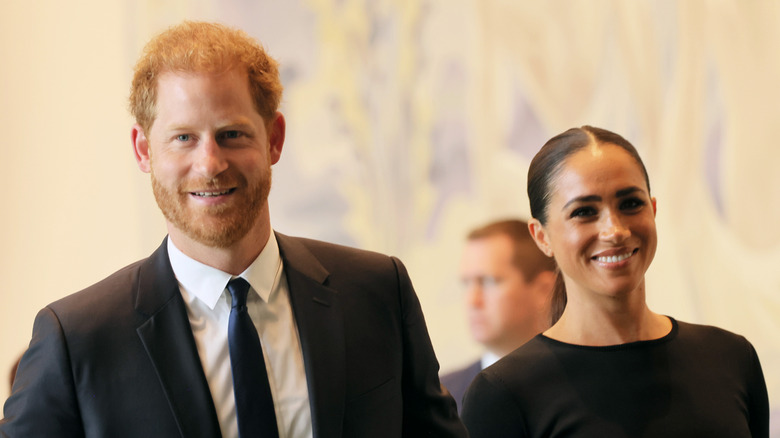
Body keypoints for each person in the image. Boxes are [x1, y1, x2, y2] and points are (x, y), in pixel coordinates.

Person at [1, 21, 467, 438]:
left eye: (232, 134)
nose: (210, 164)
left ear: (275, 139)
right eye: (183, 138)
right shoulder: (77, 339)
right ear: (143, 150)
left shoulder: (377, 292)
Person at [461, 126, 769, 437]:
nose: (614, 230)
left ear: (653, 209)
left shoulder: (730, 357)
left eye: (630, 204)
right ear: (542, 237)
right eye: (584, 212)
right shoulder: (505, 393)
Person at [440, 219, 555, 412]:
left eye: (488, 281)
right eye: (466, 284)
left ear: (544, 290)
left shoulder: (583, 384)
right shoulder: (440, 397)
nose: (472, 300)